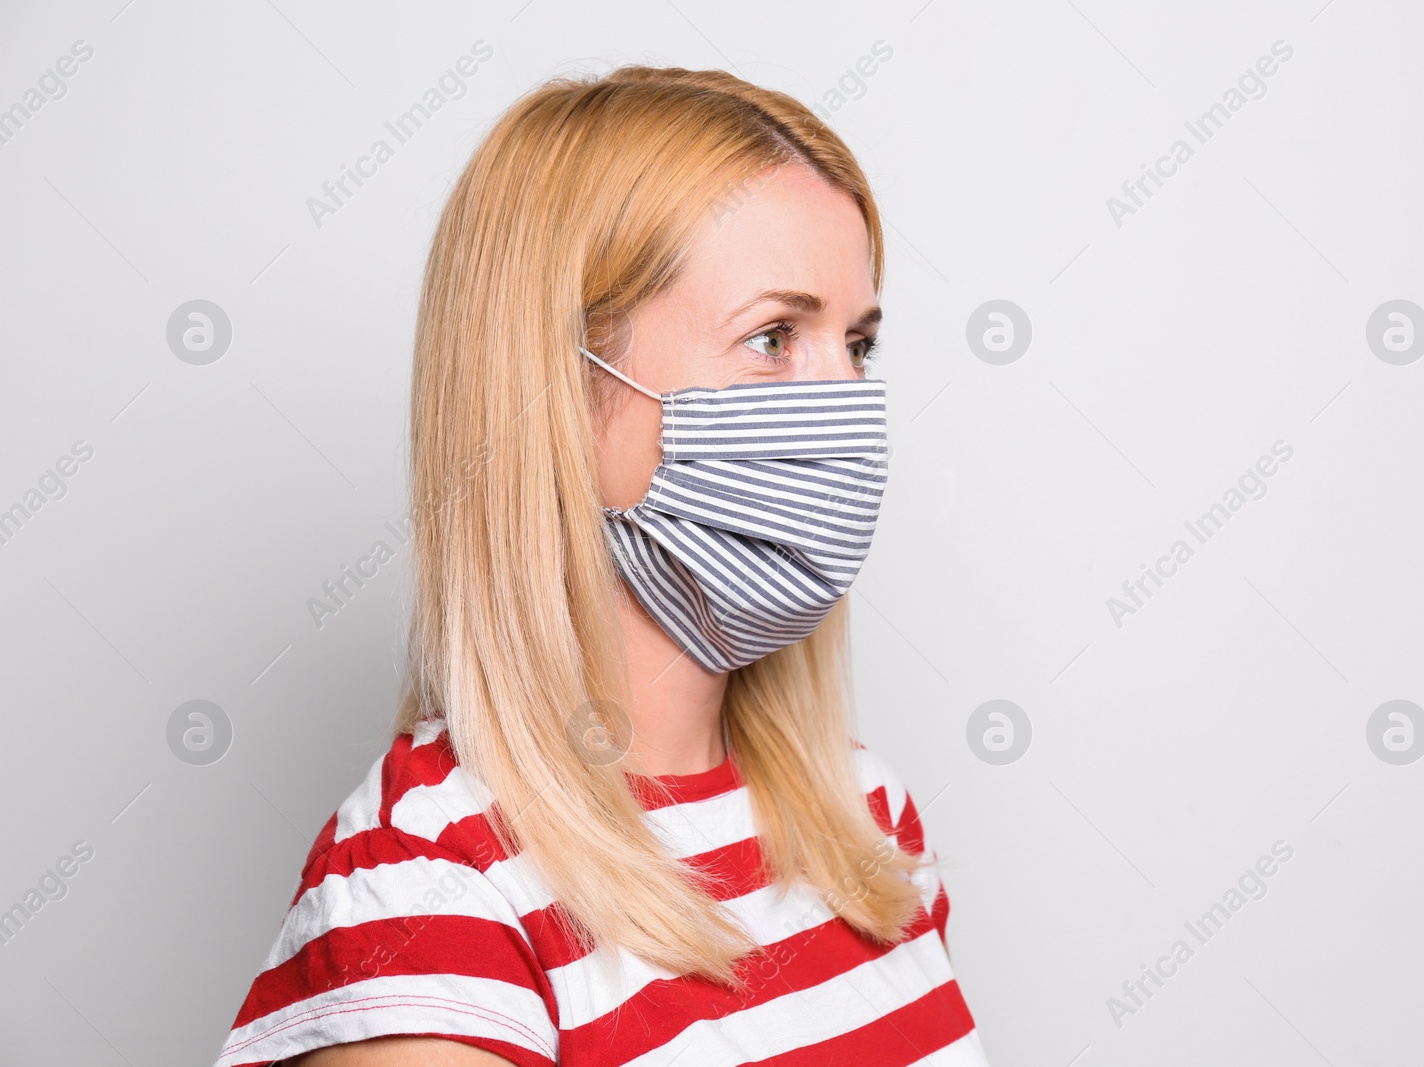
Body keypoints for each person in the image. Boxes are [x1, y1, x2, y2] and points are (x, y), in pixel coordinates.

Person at [211, 63, 990, 1067]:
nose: (844, 405)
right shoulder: (433, 886)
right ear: (560, 393)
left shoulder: (864, 817)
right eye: (771, 336)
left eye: (856, 344)